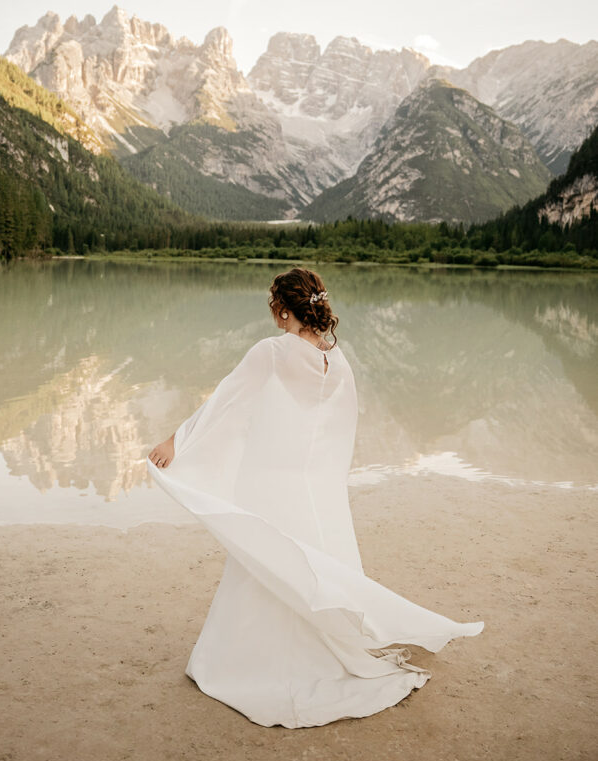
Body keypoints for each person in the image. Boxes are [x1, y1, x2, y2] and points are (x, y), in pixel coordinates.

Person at [147, 267, 484, 729]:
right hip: (310, 484)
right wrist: (326, 483)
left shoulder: (272, 351)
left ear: (283, 309)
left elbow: (225, 401)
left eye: (273, 304)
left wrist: (175, 442)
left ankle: (252, 663)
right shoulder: (333, 357)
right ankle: (322, 651)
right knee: (305, 561)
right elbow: (340, 425)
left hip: (273, 480)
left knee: (267, 559)